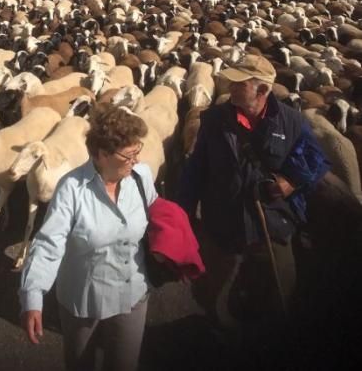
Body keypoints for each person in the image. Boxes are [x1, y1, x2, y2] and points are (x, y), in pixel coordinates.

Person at [179, 54, 329, 321]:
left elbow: (316, 159)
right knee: (210, 284)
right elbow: (196, 168)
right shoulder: (214, 120)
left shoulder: (291, 121)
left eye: (240, 84)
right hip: (223, 218)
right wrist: (184, 213)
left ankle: (263, 338)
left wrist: (292, 180)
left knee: (279, 286)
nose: (231, 88)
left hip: (270, 222)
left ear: (262, 89)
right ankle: (212, 324)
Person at [19, 105, 157, 371]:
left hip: (132, 295)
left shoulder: (142, 177)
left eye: (137, 151)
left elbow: (157, 218)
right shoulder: (71, 188)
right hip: (83, 300)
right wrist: (32, 296)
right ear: (102, 155)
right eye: (129, 155)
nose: (136, 161)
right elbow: (49, 244)